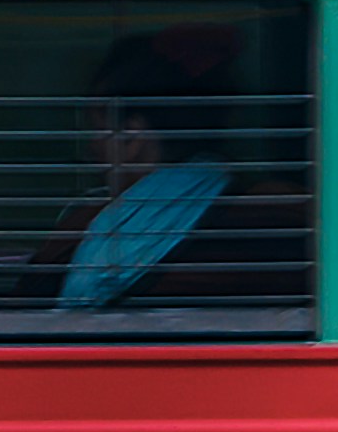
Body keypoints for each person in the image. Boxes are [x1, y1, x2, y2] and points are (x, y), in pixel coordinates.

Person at [30, 34, 303, 317]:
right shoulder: (285, 218)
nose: (92, 146)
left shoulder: (83, 235)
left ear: (131, 137)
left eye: (97, 129)